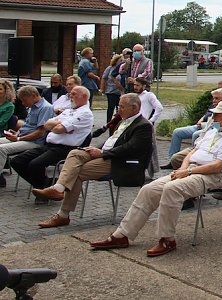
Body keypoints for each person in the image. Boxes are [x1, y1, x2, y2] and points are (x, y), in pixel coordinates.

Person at [89, 101, 222, 257]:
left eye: (217, 115)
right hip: (191, 170)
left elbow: (217, 166)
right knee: (149, 189)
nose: (213, 117)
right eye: (213, 114)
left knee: (172, 189)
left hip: (211, 176)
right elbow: (192, 152)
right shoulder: (212, 131)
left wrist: (188, 172)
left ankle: (167, 239)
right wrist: (183, 168)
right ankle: (122, 235)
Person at [33, 93, 154, 228]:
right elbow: (112, 141)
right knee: (75, 153)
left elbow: (131, 149)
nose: (118, 109)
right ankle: (58, 188)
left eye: (122, 107)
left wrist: (103, 153)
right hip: (106, 154)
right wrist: (95, 149)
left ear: (134, 108)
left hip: (120, 161)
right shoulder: (122, 121)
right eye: (118, 106)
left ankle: (63, 215)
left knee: (76, 172)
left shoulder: (144, 125)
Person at [12, 86, 94, 192]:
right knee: (16, 161)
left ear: (84, 97)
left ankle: (45, 189)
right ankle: (47, 185)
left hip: (66, 149)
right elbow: (47, 124)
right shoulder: (68, 111)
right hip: (49, 145)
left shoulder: (85, 113)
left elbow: (59, 128)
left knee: (35, 164)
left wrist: (58, 126)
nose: (71, 96)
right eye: (70, 94)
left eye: (74, 94)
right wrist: (61, 126)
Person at [163, 87, 222, 166]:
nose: (214, 101)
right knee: (177, 132)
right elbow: (207, 115)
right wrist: (200, 120)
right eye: (213, 98)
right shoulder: (213, 106)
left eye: (217, 98)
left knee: (196, 134)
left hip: (208, 131)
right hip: (202, 126)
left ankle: (194, 160)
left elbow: (217, 127)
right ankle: (171, 161)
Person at [0, 86, 54, 188]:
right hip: (23, 137)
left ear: (33, 96)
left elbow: (40, 133)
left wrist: (19, 138)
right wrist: (16, 134)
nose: (23, 104)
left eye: (24, 100)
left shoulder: (46, 108)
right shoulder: (32, 107)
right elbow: (26, 125)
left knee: (1, 149)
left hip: (34, 141)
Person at [101, 54, 124, 122]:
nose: (122, 62)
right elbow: (104, 78)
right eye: (120, 61)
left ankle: (118, 121)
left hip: (120, 91)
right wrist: (102, 88)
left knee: (120, 107)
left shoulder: (123, 69)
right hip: (111, 91)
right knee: (111, 107)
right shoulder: (110, 68)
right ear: (116, 61)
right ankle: (108, 122)